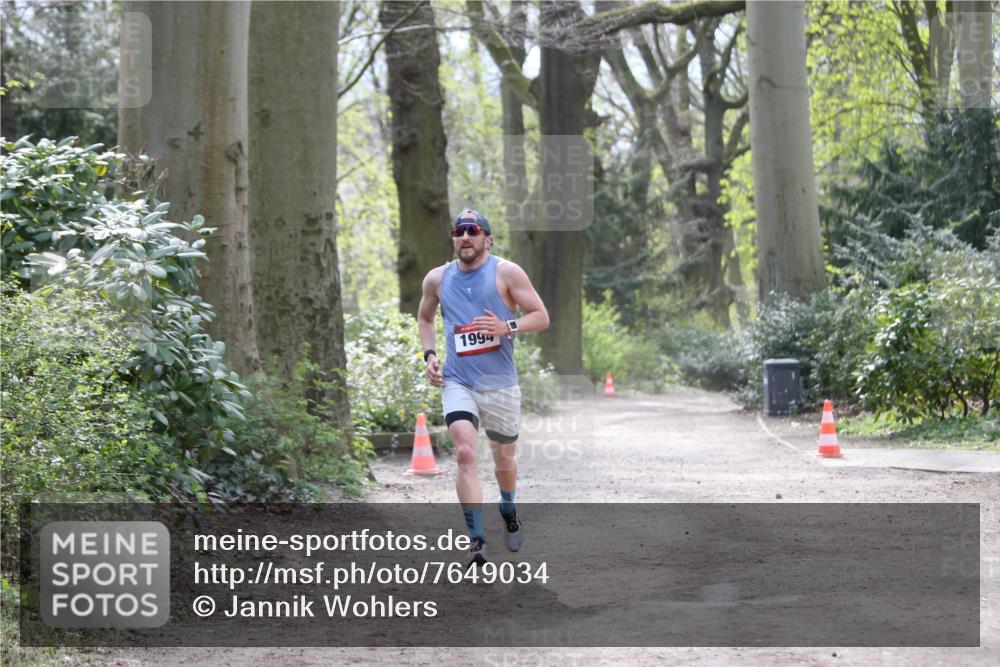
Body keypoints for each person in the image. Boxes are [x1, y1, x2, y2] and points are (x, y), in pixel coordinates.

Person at [417, 209, 549, 567]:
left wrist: (507, 327)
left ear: (487, 239)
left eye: (472, 231)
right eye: (459, 231)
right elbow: (425, 317)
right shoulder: (438, 279)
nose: (465, 237)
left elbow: (541, 316)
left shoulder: (507, 272)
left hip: (500, 384)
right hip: (458, 381)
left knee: (503, 457)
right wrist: (429, 354)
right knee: (464, 452)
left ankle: (508, 507)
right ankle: (476, 540)